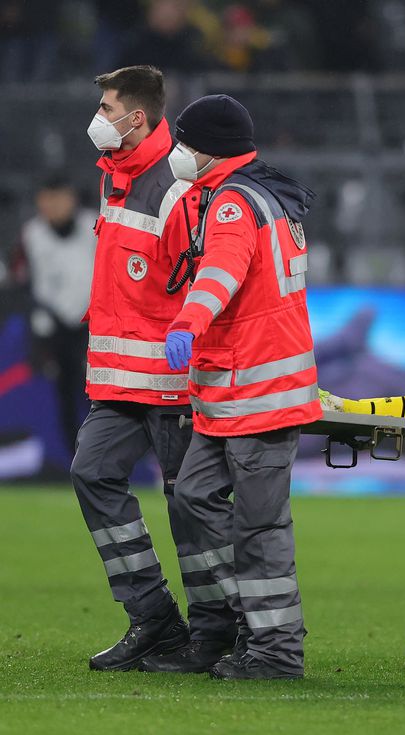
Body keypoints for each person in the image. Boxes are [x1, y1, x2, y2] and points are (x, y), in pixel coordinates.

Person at [71, 65, 237, 673]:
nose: (98, 118)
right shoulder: (115, 175)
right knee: (92, 473)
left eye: (107, 108)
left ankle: (216, 632)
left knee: (189, 507)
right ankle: (154, 617)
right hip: (118, 382)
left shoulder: (175, 187)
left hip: (172, 386)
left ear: (135, 118)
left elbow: (204, 281)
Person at [162, 94, 320, 680]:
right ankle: (248, 619)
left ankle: (277, 651)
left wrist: (188, 322)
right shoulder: (267, 194)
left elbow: (221, 272)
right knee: (194, 494)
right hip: (239, 391)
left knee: (259, 527)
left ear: (209, 149)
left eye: (185, 143)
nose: (179, 152)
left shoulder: (231, 203)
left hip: (256, 390)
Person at [19, 174, 95, 452]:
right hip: (56, 326)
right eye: (46, 198)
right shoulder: (32, 234)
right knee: (64, 395)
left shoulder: (92, 225)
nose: (52, 205)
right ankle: (75, 459)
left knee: (101, 395)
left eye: (58, 197)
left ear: (71, 198)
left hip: (94, 322)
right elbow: (29, 283)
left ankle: (110, 456)